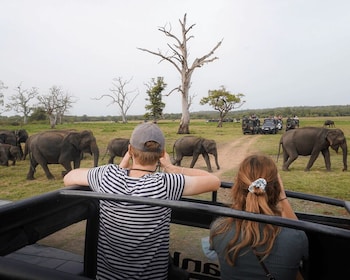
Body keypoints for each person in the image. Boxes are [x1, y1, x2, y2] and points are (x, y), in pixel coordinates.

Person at [63, 123, 221, 280]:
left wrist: (120, 168)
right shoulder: (166, 183)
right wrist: (173, 169)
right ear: (161, 154)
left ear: (130, 150)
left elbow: (69, 177)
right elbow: (214, 181)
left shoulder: (107, 176)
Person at [209, 153, 308, 280]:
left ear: (237, 187)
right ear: (276, 188)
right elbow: (296, 231)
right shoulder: (295, 236)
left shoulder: (219, 229)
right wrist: (282, 197)